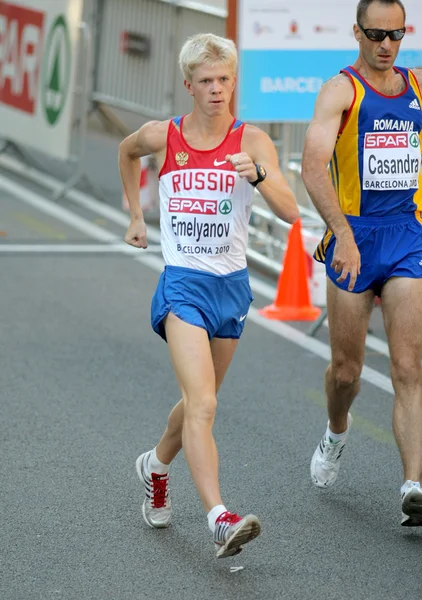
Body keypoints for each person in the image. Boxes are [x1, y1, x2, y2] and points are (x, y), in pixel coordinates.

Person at [119, 33, 299, 557]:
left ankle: (154, 465)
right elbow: (127, 150)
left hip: (231, 288)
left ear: (233, 81)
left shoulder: (251, 141)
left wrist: (262, 175)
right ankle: (220, 517)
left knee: (200, 403)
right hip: (182, 285)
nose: (216, 90)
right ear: (188, 86)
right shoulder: (165, 135)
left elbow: (290, 212)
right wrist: (135, 213)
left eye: (224, 80)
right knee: (204, 402)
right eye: (206, 82)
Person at [301, 0, 422, 526]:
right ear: (357, 32)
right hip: (354, 236)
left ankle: (413, 484)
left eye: (395, 34)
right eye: (375, 33)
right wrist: (342, 234)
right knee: (347, 371)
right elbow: (312, 168)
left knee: (409, 368)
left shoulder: (417, 87)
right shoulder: (340, 91)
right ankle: (336, 429)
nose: (385, 44)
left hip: (406, 240)